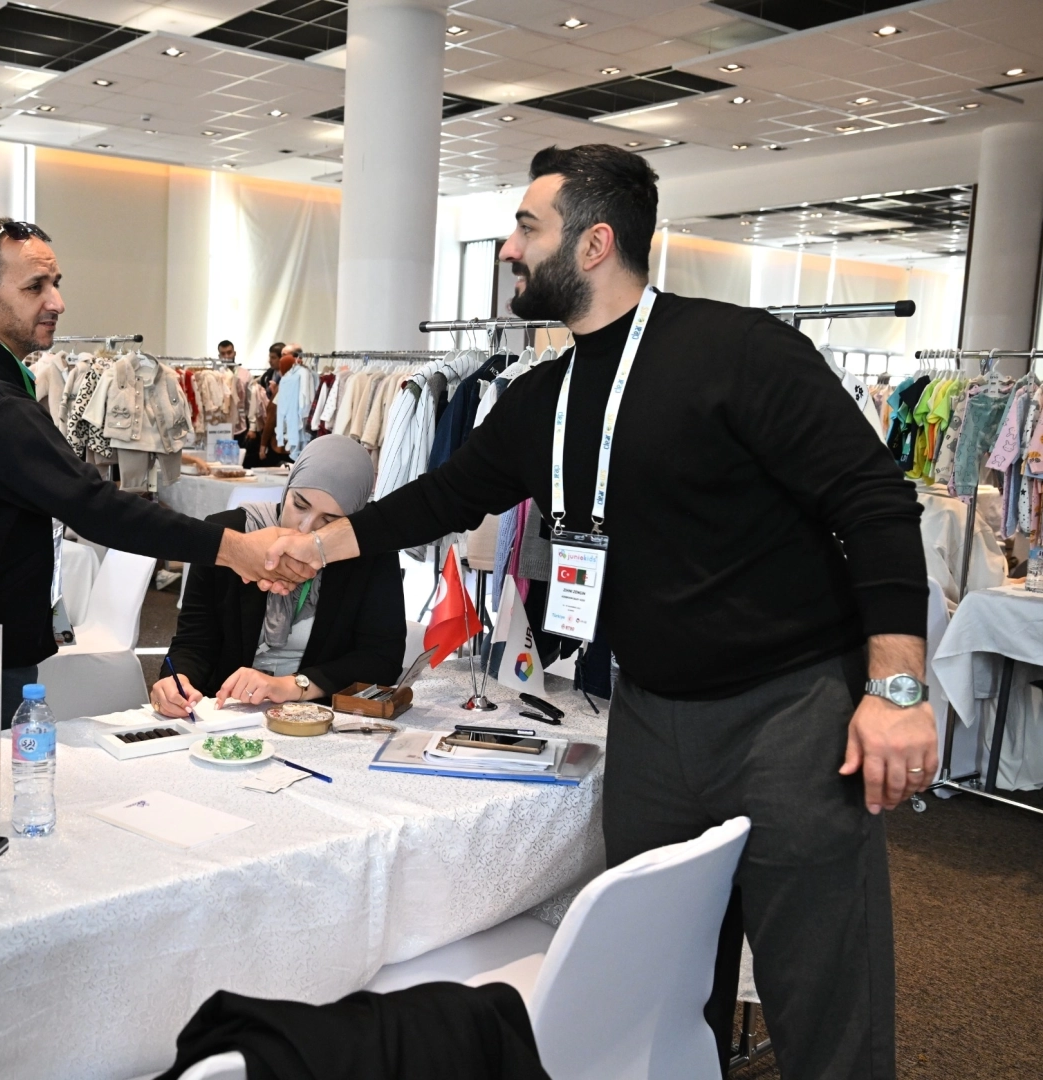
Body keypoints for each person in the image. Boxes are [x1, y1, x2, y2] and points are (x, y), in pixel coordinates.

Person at [260, 145, 932, 1080]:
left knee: (824, 998)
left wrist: (896, 690)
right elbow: (441, 497)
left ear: (593, 243)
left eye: (525, 228)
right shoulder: (546, 392)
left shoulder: (740, 350)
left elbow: (873, 502)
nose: (507, 248)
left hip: (789, 716)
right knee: (655, 987)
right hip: (649, 720)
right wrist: (312, 547)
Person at [0, 218, 305, 726]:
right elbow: (95, 505)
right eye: (35, 287)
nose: (57, 302)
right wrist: (235, 549)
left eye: (55, 284)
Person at [151, 435, 405, 716]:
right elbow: (195, 641)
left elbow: (382, 658)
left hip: (319, 718)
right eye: (300, 505)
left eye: (330, 521)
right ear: (287, 489)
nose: (305, 529)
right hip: (227, 713)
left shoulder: (369, 556)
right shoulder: (232, 538)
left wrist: (294, 685)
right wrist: (178, 680)